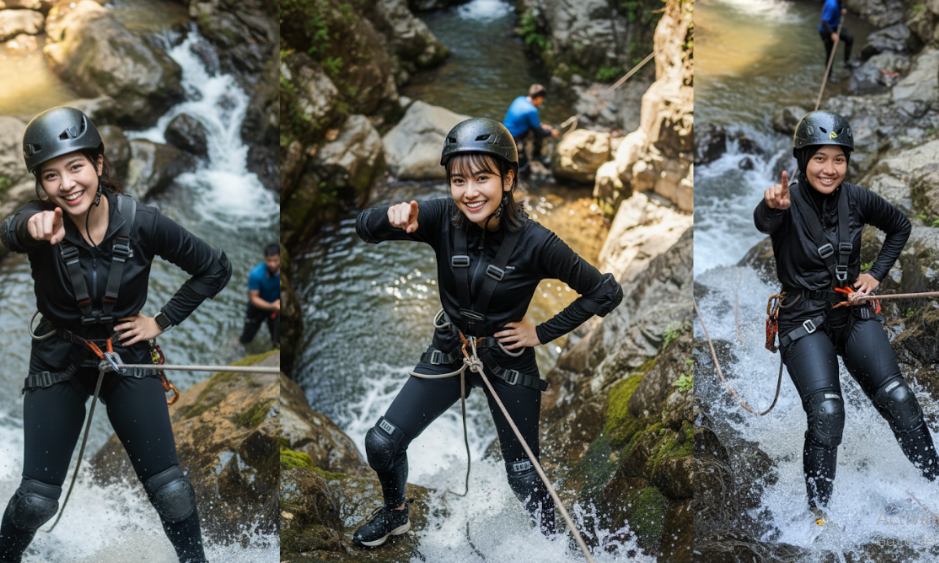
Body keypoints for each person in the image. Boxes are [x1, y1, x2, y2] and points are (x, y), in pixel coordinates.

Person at [351, 117, 623, 548]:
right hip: (451, 350)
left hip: (507, 361)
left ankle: (553, 546)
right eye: (458, 180)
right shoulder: (440, 217)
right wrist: (390, 216)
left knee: (523, 477)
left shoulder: (538, 243)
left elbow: (605, 291)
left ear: (508, 179)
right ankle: (395, 514)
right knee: (381, 444)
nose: (469, 192)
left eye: (482, 178)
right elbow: (364, 228)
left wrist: (541, 332)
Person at [0, 107, 232, 563]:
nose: (66, 184)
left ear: (99, 164)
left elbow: (214, 268)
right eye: (51, 176)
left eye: (76, 167)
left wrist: (160, 321)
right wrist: (31, 227)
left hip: (126, 355)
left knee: (172, 492)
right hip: (59, 360)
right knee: (36, 501)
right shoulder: (39, 219)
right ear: (41, 185)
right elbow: (12, 231)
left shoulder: (143, 222)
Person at [755, 111, 938, 520]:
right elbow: (763, 221)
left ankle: (935, 479)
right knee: (827, 412)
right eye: (820, 158)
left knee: (899, 398)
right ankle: (818, 514)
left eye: (839, 159)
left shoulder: (856, 198)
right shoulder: (785, 202)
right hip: (802, 319)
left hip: (851, 311)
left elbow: (900, 226)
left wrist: (875, 274)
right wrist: (771, 208)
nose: (830, 169)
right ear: (803, 160)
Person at [503, 84, 559, 174]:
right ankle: (535, 159)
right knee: (524, 170)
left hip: (504, 134)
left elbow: (526, 121)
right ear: (539, 98)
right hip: (514, 141)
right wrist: (551, 133)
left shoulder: (519, 99)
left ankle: (536, 156)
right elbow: (540, 133)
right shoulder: (532, 110)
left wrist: (541, 125)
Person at [238, 243, 280, 346]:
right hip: (258, 309)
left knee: (277, 340)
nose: (272, 264)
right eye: (269, 260)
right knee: (245, 338)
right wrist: (271, 306)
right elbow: (253, 298)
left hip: (275, 308)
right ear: (265, 258)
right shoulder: (256, 274)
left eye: (275, 260)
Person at [819, 0, 857, 83]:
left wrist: (841, 11)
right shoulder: (831, 5)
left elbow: (840, 6)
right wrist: (832, 34)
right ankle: (828, 76)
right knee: (831, 53)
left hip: (835, 27)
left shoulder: (840, 2)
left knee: (849, 39)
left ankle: (846, 62)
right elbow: (824, 22)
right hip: (826, 31)